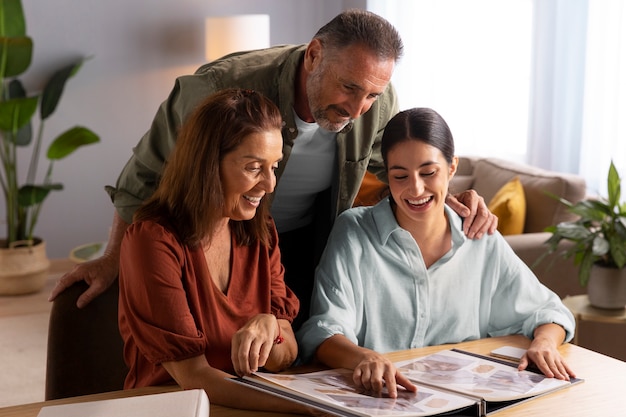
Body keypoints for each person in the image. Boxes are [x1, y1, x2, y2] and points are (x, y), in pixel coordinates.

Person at [50, 9, 497, 329]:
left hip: (307, 241)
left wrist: (450, 199)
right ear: (315, 54)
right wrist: (112, 257)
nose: (359, 108)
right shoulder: (219, 88)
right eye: (349, 88)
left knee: (296, 350)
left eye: (372, 96)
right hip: (221, 241)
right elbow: (143, 175)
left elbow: (401, 170)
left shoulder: (376, 102)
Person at [296, 107, 577, 399]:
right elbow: (323, 330)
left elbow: (549, 311)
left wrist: (543, 343)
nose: (415, 189)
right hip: (380, 400)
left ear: (452, 167)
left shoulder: (478, 237)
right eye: (400, 176)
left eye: (428, 173)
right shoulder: (354, 232)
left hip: (461, 403)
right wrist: (364, 357)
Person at [118, 88, 317, 414]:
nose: (269, 184)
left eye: (275, 166)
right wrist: (309, 407)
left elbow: (288, 352)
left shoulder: (261, 232)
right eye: (254, 167)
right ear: (207, 165)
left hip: (246, 405)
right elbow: (195, 378)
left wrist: (272, 329)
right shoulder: (152, 242)